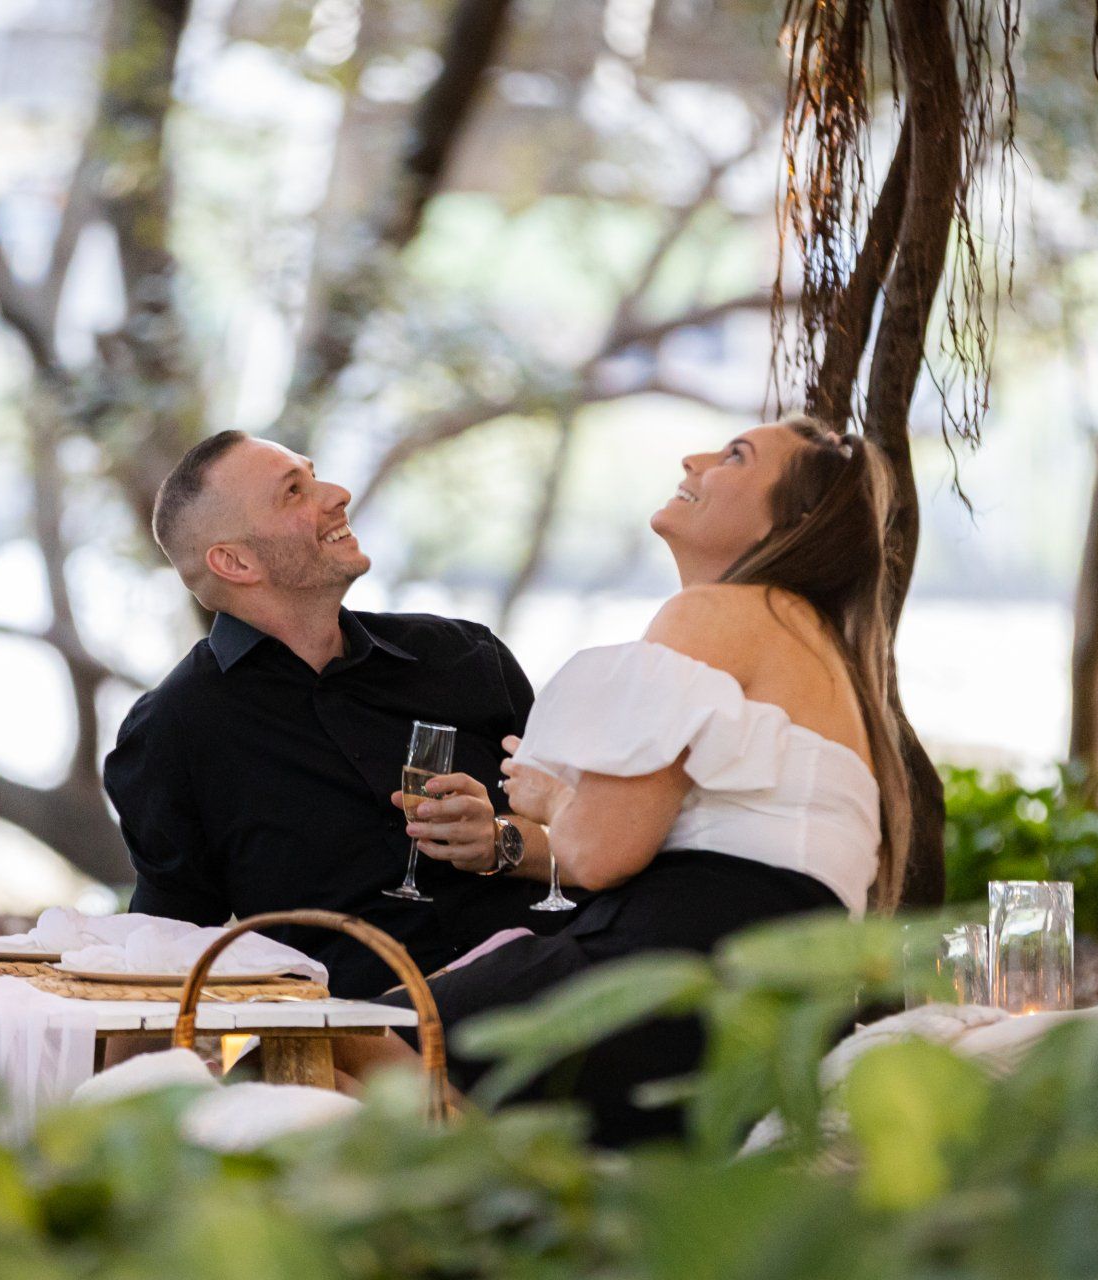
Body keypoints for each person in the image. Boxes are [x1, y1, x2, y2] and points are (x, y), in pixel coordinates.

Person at [343, 415, 913, 1146]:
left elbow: (602, 854)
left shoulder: (717, 613)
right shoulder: (814, 645)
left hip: (679, 976)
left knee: (337, 1038)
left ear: (792, 522)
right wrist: (505, 842)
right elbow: (693, 843)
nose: (694, 456)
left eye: (734, 455)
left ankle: (488, 1187)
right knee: (370, 1051)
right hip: (775, 993)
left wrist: (554, 799)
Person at [102, 431, 567, 998]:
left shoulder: (465, 657)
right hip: (364, 1044)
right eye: (294, 492)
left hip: (556, 1003)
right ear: (235, 561)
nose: (338, 494)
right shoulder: (173, 730)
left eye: (315, 475)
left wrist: (501, 843)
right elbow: (167, 951)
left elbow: (594, 845)